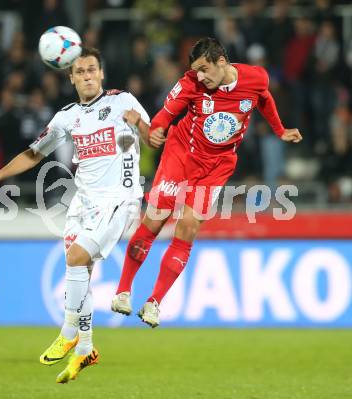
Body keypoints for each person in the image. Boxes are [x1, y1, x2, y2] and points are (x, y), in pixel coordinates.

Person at [0, 47, 151, 382]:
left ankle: (69, 330)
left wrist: (140, 124)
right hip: (82, 201)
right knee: (80, 269)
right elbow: (33, 154)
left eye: (91, 70)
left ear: (101, 74)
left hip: (119, 198)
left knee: (75, 258)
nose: (86, 76)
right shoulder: (66, 116)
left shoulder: (122, 101)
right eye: (80, 72)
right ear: (71, 78)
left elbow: (156, 138)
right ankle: (86, 349)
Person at [111, 37, 302, 327]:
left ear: (221, 62)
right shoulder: (191, 83)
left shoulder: (256, 76)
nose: (199, 75)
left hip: (217, 166)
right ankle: (123, 291)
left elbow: (263, 96)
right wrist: (158, 127)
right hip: (182, 155)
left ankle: (154, 302)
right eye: (196, 70)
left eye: (204, 69)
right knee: (156, 218)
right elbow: (166, 113)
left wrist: (279, 129)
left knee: (188, 228)